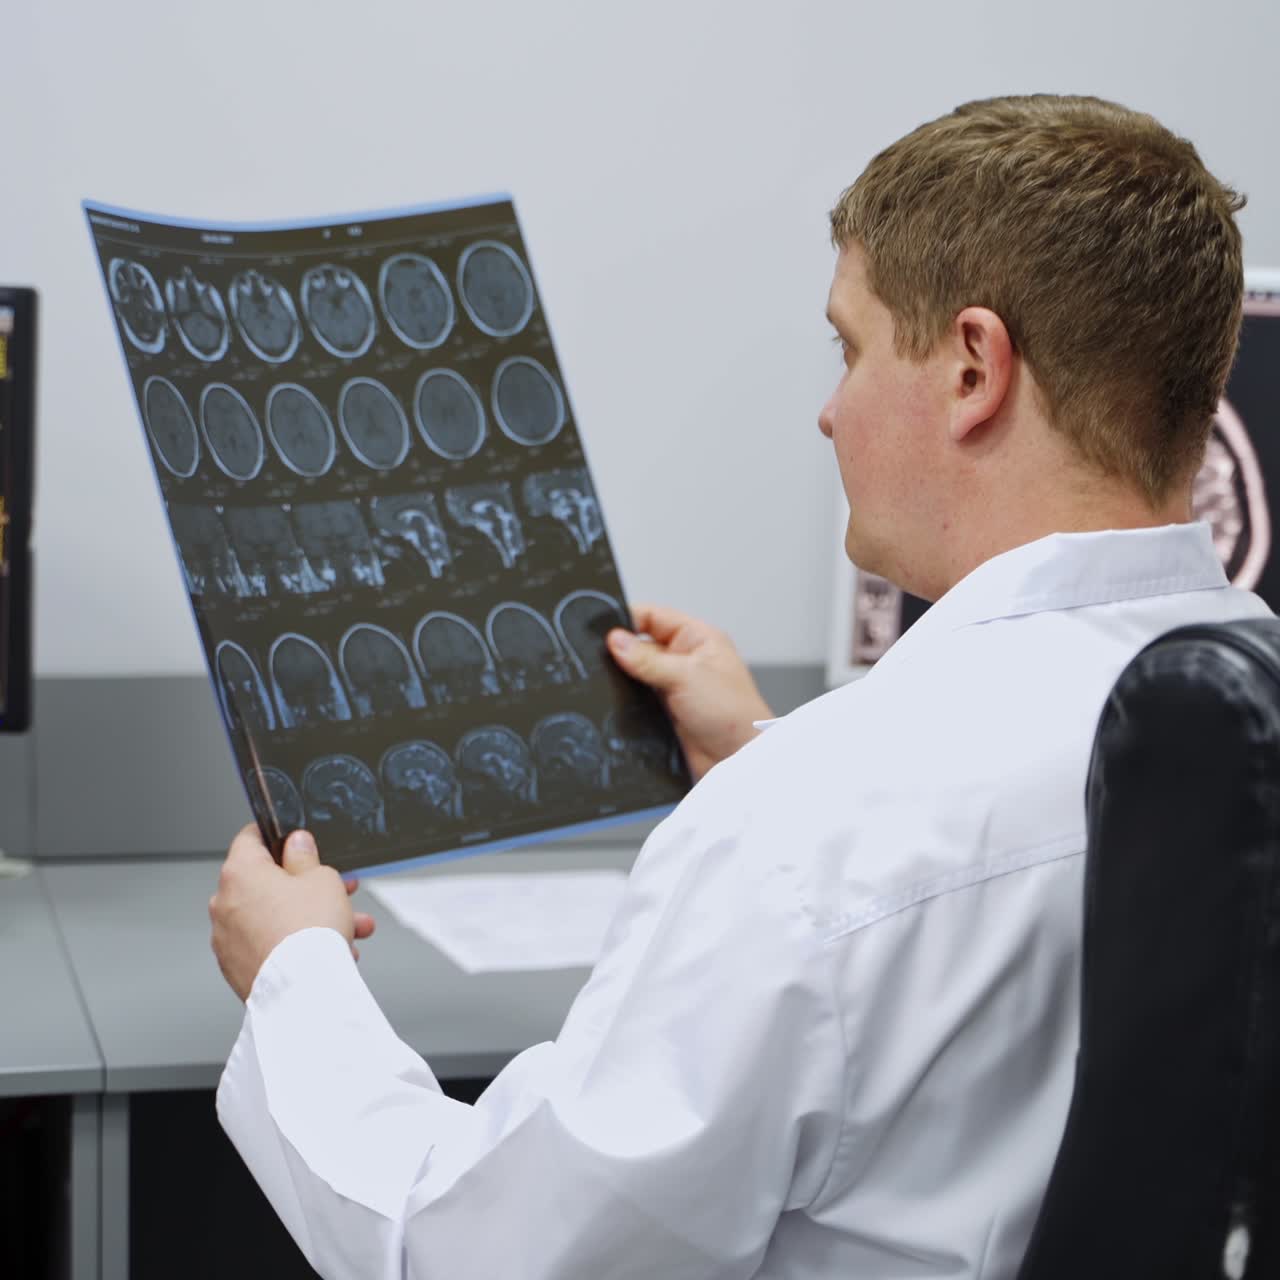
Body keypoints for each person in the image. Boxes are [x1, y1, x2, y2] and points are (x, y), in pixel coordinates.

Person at [210, 94, 1270, 1278]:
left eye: (851, 346)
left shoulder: (808, 830)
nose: (827, 412)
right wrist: (767, 741)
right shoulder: (1240, 709)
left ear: (973, 366)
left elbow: (472, 1255)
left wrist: (292, 975)